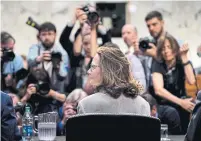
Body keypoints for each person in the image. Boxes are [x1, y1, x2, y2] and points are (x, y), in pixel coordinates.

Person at [77, 46, 150, 115]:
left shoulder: (85, 105)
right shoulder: (143, 105)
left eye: (93, 67)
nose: (88, 71)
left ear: (107, 71)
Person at [151, 34, 196, 134]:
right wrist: (181, 102)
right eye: (163, 48)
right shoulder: (158, 63)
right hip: (162, 103)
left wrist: (184, 57)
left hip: (179, 100)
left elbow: (192, 81)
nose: (166, 51)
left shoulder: (182, 62)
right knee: (172, 112)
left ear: (175, 48)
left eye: (169, 47)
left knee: (195, 106)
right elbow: (158, 90)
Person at [60, 6, 111, 93]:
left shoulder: (101, 54)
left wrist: (97, 24)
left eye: (91, 43)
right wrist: (76, 21)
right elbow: (63, 40)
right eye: (86, 43)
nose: (88, 46)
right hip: (75, 93)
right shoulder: (75, 53)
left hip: (96, 94)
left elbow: (107, 42)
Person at [27, 22, 69, 93]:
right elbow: (29, 61)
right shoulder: (35, 48)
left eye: (50, 34)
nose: (47, 37)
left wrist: (57, 65)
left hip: (56, 91)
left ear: (55, 35)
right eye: (43, 34)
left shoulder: (62, 53)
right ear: (39, 36)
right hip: (36, 89)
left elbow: (64, 75)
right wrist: (39, 59)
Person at [121, 24, 147, 91]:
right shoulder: (124, 53)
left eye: (128, 33)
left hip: (143, 91)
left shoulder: (144, 49)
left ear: (135, 34)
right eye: (123, 33)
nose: (125, 36)